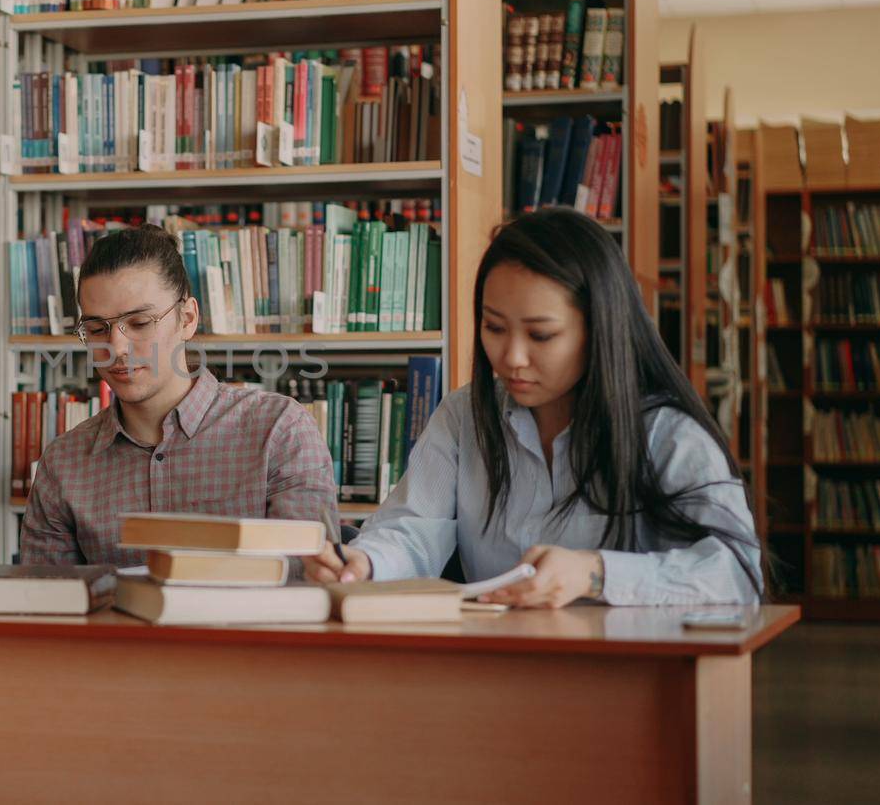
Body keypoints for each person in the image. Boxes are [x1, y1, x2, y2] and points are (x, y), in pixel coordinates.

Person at [304, 208, 763, 607]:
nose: (511, 358)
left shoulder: (666, 433)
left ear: (599, 328)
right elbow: (414, 527)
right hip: (494, 670)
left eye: (541, 335)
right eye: (494, 328)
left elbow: (737, 573)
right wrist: (364, 563)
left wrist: (596, 573)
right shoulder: (465, 417)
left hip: (623, 678)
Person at [21, 223, 340, 567]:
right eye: (97, 329)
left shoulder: (279, 430)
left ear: (187, 318)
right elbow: (46, 604)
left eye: (140, 323)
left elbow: (309, 582)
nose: (116, 348)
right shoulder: (63, 464)